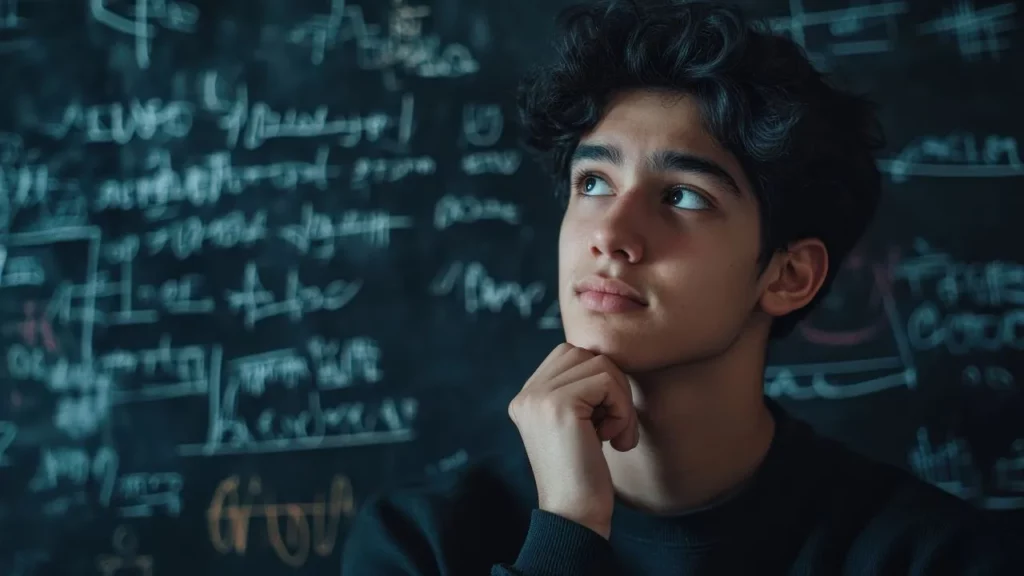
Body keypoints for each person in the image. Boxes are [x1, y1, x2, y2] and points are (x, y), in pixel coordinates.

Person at [341, 1, 1022, 574]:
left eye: (683, 196)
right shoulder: (420, 543)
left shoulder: (929, 556)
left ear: (789, 275)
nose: (611, 233)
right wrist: (567, 530)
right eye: (594, 183)